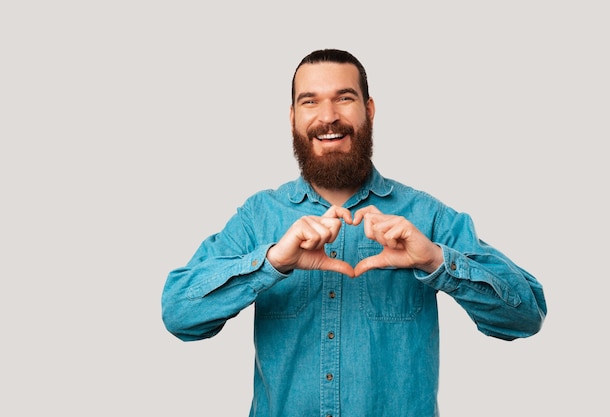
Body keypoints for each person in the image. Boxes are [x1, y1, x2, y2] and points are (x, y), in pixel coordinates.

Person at [161, 48, 547, 417]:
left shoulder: (425, 214)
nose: (328, 117)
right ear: (292, 116)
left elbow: (526, 315)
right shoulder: (257, 216)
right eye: (310, 101)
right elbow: (179, 314)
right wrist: (272, 262)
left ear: (369, 110)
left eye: (344, 98)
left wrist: (435, 260)